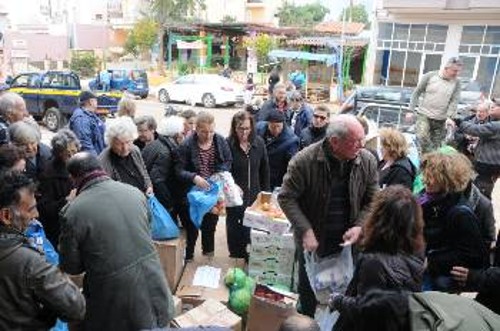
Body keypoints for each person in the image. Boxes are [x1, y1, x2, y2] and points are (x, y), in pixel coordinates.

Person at [59, 152, 174, 330]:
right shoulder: (134, 192)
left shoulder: (72, 212)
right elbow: (147, 229)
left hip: (117, 304)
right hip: (157, 289)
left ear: (73, 179)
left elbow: (71, 266)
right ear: (100, 168)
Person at [278, 114, 379, 317]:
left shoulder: (367, 160)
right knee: (309, 293)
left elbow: (373, 199)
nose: (362, 144)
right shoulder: (304, 161)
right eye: (356, 141)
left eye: (363, 139)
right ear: (335, 142)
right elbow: (286, 198)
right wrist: (305, 230)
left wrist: (360, 226)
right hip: (313, 244)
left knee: (346, 292)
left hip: (350, 245)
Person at [0, 172, 85, 330]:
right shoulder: (30, 262)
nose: (36, 214)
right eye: (30, 209)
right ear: (6, 215)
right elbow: (75, 307)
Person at [335, 185, 425, 330]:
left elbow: (367, 310)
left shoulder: (373, 262)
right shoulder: (416, 252)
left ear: (378, 216)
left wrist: (339, 301)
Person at [418, 152, 489, 292]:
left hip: (439, 279)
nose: (426, 180)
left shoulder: (460, 213)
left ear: (445, 179)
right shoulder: (428, 201)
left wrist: (432, 261)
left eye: (431, 175)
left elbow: (474, 255)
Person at [176, 111, 232, 261]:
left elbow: (228, 160)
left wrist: (220, 173)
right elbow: (178, 170)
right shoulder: (186, 145)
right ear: (196, 129)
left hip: (213, 191)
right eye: (203, 132)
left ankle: (208, 255)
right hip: (193, 193)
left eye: (211, 131)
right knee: (192, 227)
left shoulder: (219, 140)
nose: (208, 135)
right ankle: (188, 257)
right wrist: (194, 177)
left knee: (210, 226)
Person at [226, 111, 270, 260]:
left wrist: (266, 195)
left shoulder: (259, 143)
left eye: (247, 128)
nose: (244, 132)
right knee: (234, 229)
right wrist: (233, 185)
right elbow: (223, 172)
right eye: (240, 129)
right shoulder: (228, 144)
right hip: (234, 198)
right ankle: (236, 257)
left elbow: (265, 171)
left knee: (252, 230)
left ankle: (251, 258)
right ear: (234, 128)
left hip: (255, 197)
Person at [410, 57, 463, 153]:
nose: (456, 74)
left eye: (458, 71)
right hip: (424, 115)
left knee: (437, 146)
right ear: (446, 68)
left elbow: (454, 100)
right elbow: (416, 93)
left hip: (441, 119)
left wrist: (450, 117)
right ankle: (423, 158)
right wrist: (411, 110)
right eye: (454, 71)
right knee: (422, 137)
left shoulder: (457, 82)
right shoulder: (430, 76)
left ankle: (431, 162)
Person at [37, 129, 80, 248]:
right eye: (67, 153)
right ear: (58, 153)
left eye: (74, 151)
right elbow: (45, 208)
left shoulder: (79, 164)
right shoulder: (48, 174)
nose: (72, 156)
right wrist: (66, 200)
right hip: (59, 229)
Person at [455, 98, 500, 199]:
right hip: (489, 164)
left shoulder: (496, 126)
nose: (492, 107)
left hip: (488, 165)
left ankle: (481, 211)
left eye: (496, 106)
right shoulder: (493, 121)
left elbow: (475, 130)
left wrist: (458, 122)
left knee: (482, 192)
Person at [99, 116, 153, 195]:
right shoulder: (103, 161)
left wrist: (148, 185)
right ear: (111, 143)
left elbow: (143, 169)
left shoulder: (135, 150)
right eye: (119, 144)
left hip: (143, 198)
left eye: (128, 142)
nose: (125, 148)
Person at [142, 115, 185, 213]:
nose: (183, 136)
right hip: (157, 198)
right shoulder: (165, 152)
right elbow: (157, 180)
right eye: (182, 133)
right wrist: (169, 202)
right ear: (176, 135)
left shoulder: (156, 143)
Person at [256, 110, 299, 189]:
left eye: (278, 126)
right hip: (258, 175)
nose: (276, 130)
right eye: (273, 127)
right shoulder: (259, 128)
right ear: (268, 124)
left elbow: (292, 166)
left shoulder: (291, 140)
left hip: (276, 180)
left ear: (283, 123)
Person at [69, 91, 106, 155]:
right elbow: (86, 146)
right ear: (91, 102)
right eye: (96, 100)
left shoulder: (91, 115)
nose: (97, 102)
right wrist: (97, 162)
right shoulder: (81, 119)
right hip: (92, 160)